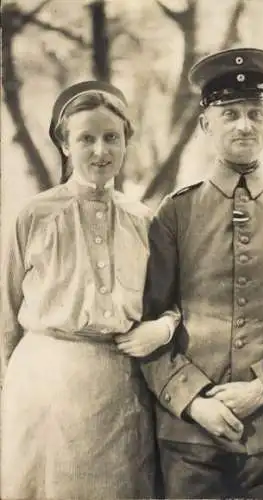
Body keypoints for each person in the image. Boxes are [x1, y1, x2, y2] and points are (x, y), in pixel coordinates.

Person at [140, 48, 263, 499]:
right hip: (191, 441)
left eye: (255, 113)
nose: (244, 125)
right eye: (229, 113)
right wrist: (193, 402)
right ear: (205, 125)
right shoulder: (174, 212)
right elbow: (145, 323)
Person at [0, 80, 179, 499]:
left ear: (125, 142)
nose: (101, 151)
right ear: (65, 145)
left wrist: (165, 327)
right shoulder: (34, 216)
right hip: (45, 387)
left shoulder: (145, 220)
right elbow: (5, 313)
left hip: (120, 389)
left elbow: (171, 303)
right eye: (86, 139)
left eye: (111, 138)